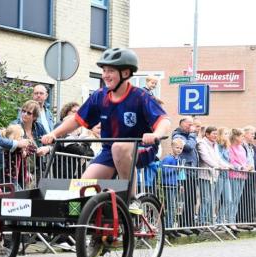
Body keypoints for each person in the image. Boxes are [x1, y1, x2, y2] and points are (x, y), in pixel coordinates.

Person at [42, 47, 170, 214]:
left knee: (119, 146)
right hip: (109, 151)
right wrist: (54, 134)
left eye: (110, 71)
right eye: (103, 70)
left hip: (140, 148)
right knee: (81, 188)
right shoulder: (99, 96)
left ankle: (131, 199)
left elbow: (164, 121)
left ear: (125, 73)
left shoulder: (140, 97)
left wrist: (155, 135)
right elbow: (77, 120)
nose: (105, 75)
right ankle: (78, 225)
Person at [197, 126, 231, 226]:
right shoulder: (202, 143)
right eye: (213, 134)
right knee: (205, 198)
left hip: (213, 175)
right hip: (204, 175)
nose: (215, 136)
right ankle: (201, 221)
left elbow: (218, 158)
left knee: (209, 199)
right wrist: (218, 166)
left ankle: (205, 220)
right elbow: (205, 157)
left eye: (216, 134)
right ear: (207, 134)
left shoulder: (214, 145)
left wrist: (228, 166)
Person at [171, 116, 198, 234]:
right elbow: (188, 147)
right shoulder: (178, 135)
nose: (191, 126)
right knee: (186, 198)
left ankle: (191, 223)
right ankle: (183, 224)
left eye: (192, 124)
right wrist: (192, 135)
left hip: (192, 171)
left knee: (192, 199)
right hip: (184, 172)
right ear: (181, 123)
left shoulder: (188, 136)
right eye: (189, 124)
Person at [161, 138, 184, 238]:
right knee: (170, 206)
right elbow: (164, 172)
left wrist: (180, 184)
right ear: (172, 147)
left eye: (181, 148)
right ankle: (167, 227)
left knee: (174, 207)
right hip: (168, 185)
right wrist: (175, 169)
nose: (179, 150)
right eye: (177, 147)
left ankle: (171, 227)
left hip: (175, 185)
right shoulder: (168, 158)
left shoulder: (178, 159)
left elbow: (179, 174)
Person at [228, 128, 250, 227]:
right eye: (241, 136)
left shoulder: (241, 147)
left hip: (243, 175)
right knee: (232, 198)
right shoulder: (230, 147)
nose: (243, 138)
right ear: (236, 137)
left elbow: (246, 160)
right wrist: (240, 167)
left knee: (237, 199)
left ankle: (233, 219)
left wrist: (249, 167)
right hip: (234, 175)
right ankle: (229, 219)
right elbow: (232, 161)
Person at [215, 127, 233, 224]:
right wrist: (227, 165)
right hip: (219, 173)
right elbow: (218, 159)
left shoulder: (226, 147)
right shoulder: (217, 146)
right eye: (225, 133)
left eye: (228, 133)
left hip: (226, 174)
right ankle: (210, 220)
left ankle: (220, 220)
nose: (227, 135)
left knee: (228, 199)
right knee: (215, 198)